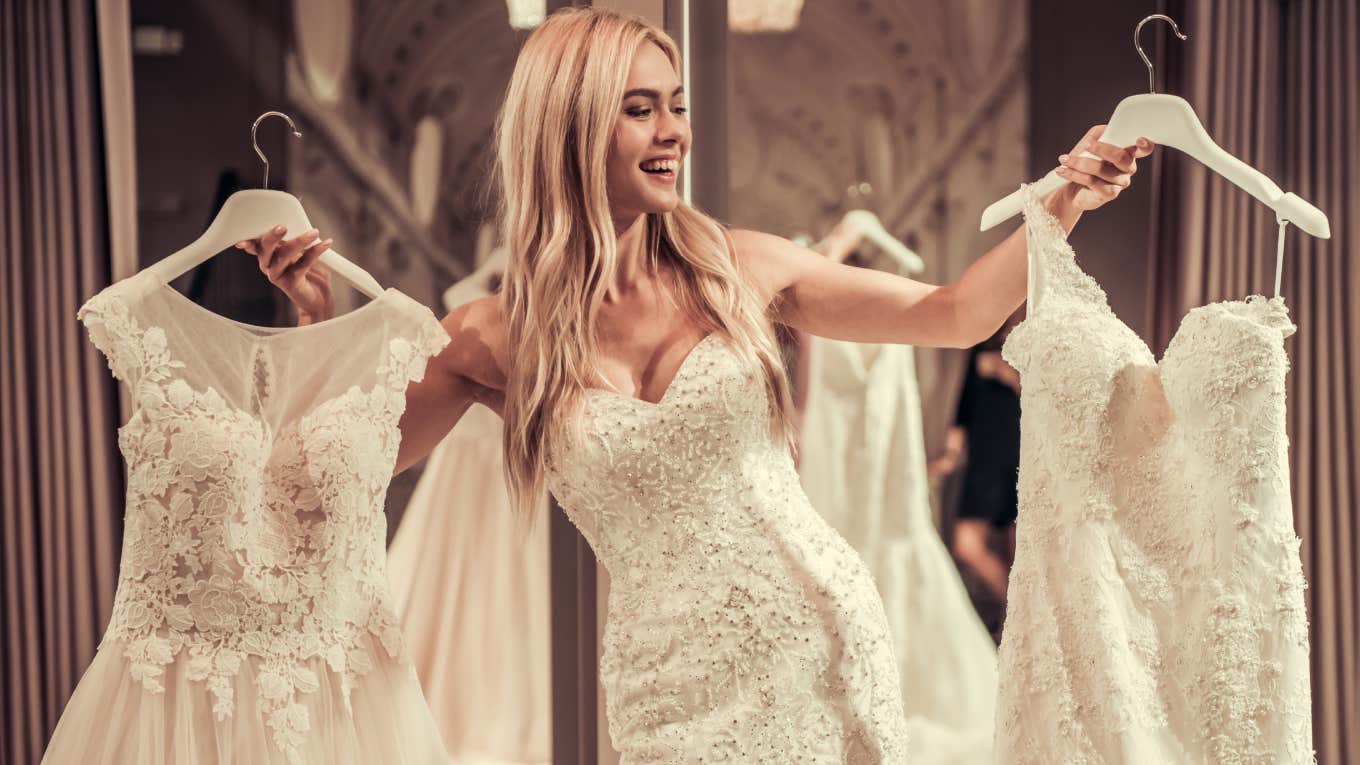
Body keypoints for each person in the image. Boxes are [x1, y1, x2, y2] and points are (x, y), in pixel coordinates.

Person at [236, 7, 1152, 761]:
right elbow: (330, 480)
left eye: (674, 104)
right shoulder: (491, 334)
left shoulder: (741, 268)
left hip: (819, 639)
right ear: (572, 126)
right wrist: (318, 321)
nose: (673, 130)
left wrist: (1062, 198)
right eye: (641, 109)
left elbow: (952, 312)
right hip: (666, 685)